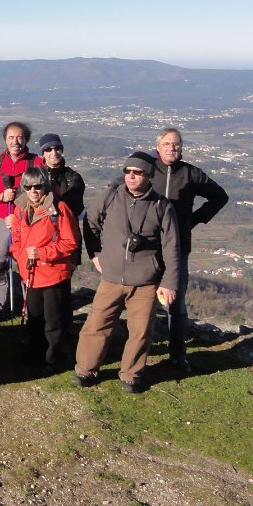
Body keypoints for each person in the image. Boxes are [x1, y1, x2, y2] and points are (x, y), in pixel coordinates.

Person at [74, 152, 180, 393]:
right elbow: (90, 221)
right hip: (111, 278)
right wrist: (94, 253)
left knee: (141, 331)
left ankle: (131, 375)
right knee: (96, 325)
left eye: (137, 172)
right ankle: (85, 370)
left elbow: (171, 247)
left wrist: (169, 283)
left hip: (145, 281)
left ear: (149, 176)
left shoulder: (162, 206)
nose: (131, 176)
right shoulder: (111, 196)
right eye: (127, 171)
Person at [151, 128, 229, 372]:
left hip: (178, 247)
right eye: (167, 144)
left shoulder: (191, 174)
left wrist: (193, 220)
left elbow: (219, 197)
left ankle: (177, 355)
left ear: (181, 147)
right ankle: (139, 352)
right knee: (140, 301)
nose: (171, 148)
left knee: (177, 305)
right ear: (158, 147)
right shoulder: (147, 170)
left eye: (176, 144)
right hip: (148, 248)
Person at [9, 167, 80, 371]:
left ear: (45, 187)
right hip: (31, 274)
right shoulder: (20, 209)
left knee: (53, 321)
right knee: (35, 319)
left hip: (53, 273)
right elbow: (16, 237)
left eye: (38, 186)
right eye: (28, 187)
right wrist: (19, 256)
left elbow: (70, 242)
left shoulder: (59, 209)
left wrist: (43, 254)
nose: (33, 191)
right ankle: (34, 354)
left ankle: (52, 359)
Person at [0, 121, 42, 322]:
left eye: (19, 137)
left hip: (27, 220)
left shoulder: (36, 162)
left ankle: (30, 306)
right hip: (3, 217)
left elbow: (42, 192)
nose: (15, 142)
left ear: (26, 139)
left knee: (26, 263)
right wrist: (0, 197)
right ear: (5, 140)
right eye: (11, 137)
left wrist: (18, 205)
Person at [37, 132, 86, 346]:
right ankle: (42, 332)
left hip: (66, 239)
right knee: (40, 290)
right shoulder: (36, 176)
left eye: (57, 148)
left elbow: (68, 207)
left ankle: (64, 333)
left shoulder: (73, 178)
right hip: (41, 240)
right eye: (48, 149)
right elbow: (26, 205)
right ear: (42, 153)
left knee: (63, 288)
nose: (53, 153)